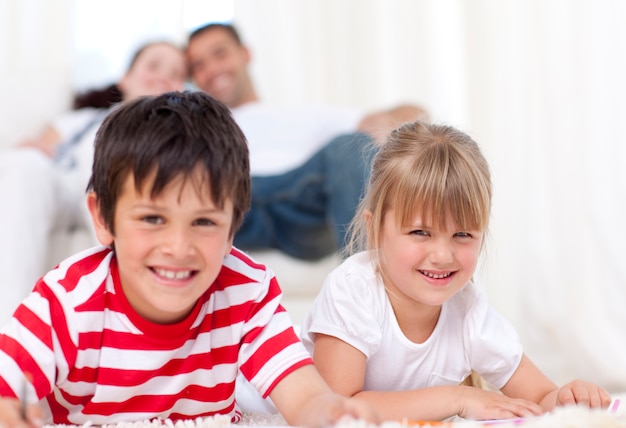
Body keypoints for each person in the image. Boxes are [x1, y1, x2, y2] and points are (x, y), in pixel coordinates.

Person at [0, 91, 378, 428]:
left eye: (204, 222)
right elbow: (5, 389)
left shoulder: (246, 290)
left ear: (233, 229)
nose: (178, 247)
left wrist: (333, 414)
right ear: (102, 219)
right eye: (152, 219)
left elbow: (304, 395)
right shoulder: (68, 300)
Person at [299, 120, 612, 421]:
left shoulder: (469, 311)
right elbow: (338, 407)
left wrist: (570, 398)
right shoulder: (354, 288)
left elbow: (541, 397)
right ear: (375, 229)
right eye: (420, 232)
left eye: (462, 235)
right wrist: (458, 398)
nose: (442, 255)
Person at [186, 22, 428, 261]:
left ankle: (365, 285)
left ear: (245, 54)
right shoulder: (193, 126)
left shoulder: (301, 113)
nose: (212, 69)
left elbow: (411, 112)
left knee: (349, 145)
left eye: (220, 54)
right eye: (199, 65)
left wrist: (397, 127)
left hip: (302, 209)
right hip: (236, 209)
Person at [0, 40, 188, 325]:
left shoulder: (183, 135)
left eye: (175, 73)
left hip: (128, 191)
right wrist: (33, 149)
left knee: (118, 146)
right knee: (25, 163)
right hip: (65, 185)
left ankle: (124, 312)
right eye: (152, 66)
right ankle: (8, 329)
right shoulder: (82, 120)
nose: (162, 75)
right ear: (125, 78)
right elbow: (40, 147)